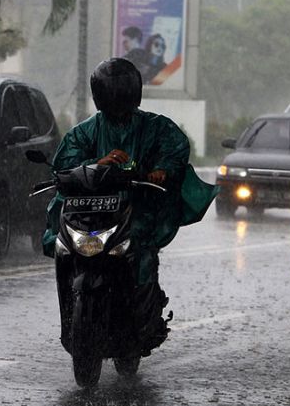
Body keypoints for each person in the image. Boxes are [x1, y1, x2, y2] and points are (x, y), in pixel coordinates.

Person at [43, 58, 217, 353]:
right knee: (63, 244)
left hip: (135, 208)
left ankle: (143, 314)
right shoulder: (85, 132)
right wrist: (97, 164)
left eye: (121, 94)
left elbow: (174, 148)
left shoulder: (154, 127)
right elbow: (65, 164)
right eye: (111, 94)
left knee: (141, 253)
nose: (117, 100)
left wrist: (162, 169)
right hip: (89, 212)